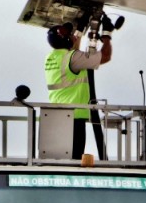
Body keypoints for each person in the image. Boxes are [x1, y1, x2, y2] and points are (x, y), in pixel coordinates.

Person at [44, 21, 113, 159]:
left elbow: (73, 51)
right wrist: (106, 36)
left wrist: (79, 33)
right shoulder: (72, 57)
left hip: (56, 117)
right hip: (74, 118)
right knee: (74, 161)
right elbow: (105, 57)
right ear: (67, 40)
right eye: (71, 35)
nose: (74, 37)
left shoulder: (51, 57)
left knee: (57, 162)